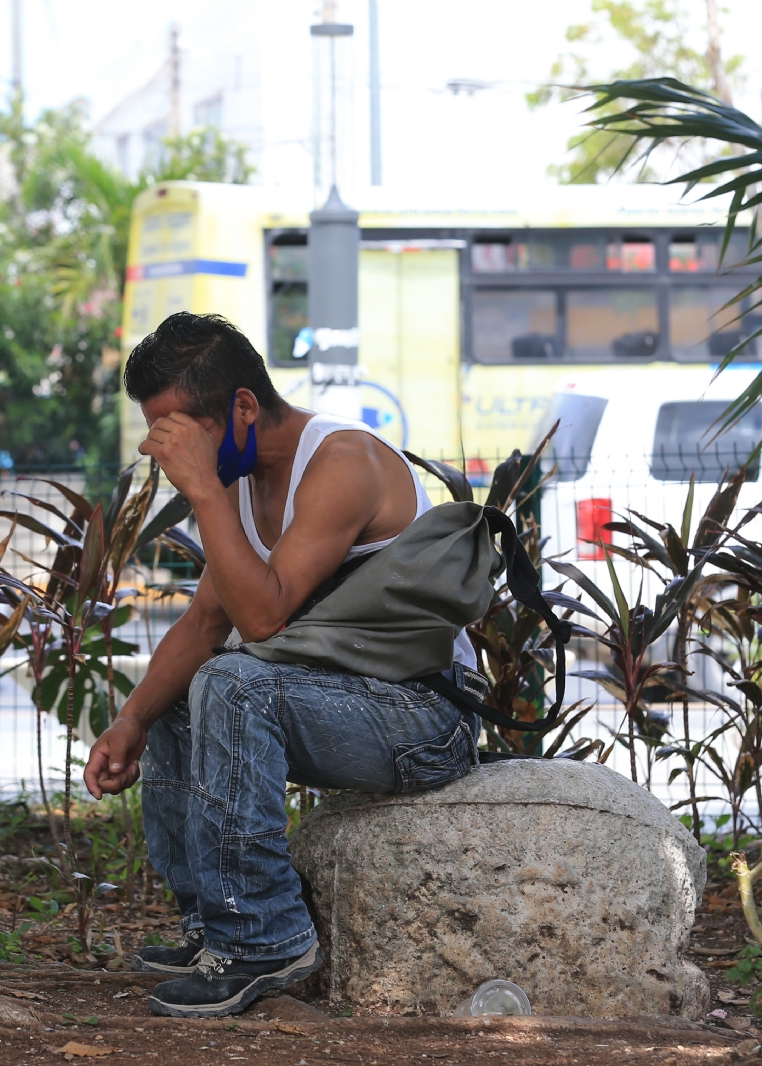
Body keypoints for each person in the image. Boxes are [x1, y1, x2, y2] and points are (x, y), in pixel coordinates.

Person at [83, 312, 485, 1019]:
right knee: (183, 691)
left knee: (232, 685)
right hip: (342, 703)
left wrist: (204, 492)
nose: (160, 449)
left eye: (176, 429)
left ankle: (264, 937)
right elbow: (206, 621)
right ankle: (213, 926)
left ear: (241, 407)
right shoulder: (239, 477)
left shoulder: (341, 463)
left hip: (422, 717)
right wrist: (130, 720)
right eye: (156, 431)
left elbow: (263, 617)